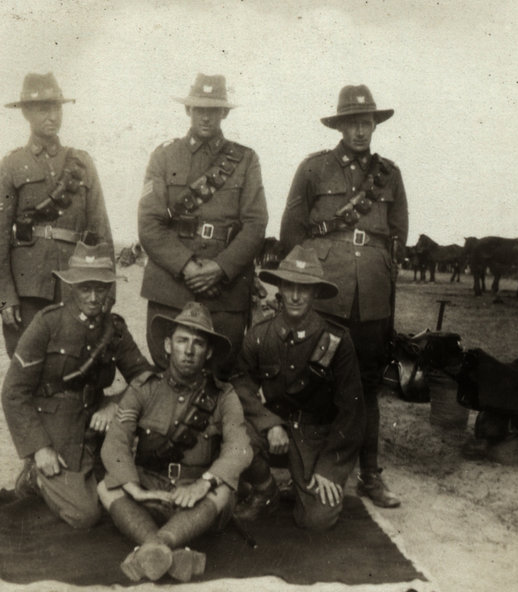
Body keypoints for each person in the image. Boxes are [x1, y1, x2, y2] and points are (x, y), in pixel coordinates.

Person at [279, 84, 408, 508]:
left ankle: (370, 475)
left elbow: (397, 235)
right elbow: (292, 232)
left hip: (371, 295)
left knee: (367, 386)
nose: (360, 131)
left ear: (374, 126)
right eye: (352, 122)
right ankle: (311, 463)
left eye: (366, 122)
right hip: (327, 292)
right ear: (340, 125)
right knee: (316, 378)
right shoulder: (314, 169)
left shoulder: (390, 174)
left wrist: (383, 282)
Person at [1, 242, 152, 529]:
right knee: (85, 515)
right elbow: (13, 393)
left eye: (101, 287)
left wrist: (116, 404)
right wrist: (39, 448)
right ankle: (35, 475)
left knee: (126, 492)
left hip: (95, 422)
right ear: (71, 286)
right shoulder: (46, 324)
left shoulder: (114, 328)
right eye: (86, 288)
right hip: (55, 425)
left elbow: (144, 376)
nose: (94, 297)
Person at [98, 302, 252, 582]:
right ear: (168, 345)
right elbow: (116, 442)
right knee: (106, 487)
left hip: (197, 498)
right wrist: (136, 489)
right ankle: (166, 551)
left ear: (208, 353)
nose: (189, 351)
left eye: (198, 343)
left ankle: (153, 547)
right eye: (182, 341)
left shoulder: (223, 394)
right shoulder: (144, 387)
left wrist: (204, 482)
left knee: (224, 489)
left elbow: (239, 448)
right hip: (149, 490)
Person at [137, 73, 268, 377]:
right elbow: (149, 224)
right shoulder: (164, 156)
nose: (206, 116)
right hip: (171, 286)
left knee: (221, 373)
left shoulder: (246, 160)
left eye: (213, 109)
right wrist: (187, 266)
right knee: (166, 372)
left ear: (224, 112)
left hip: (225, 290)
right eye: (199, 109)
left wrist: (220, 269)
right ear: (188, 110)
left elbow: (255, 224)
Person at [231, 246, 365, 530]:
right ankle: (266, 489)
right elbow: (241, 385)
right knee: (233, 436)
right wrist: (269, 424)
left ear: (315, 293)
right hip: (274, 432)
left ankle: (301, 482)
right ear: (278, 287)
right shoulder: (260, 336)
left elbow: (352, 410)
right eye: (288, 286)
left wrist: (331, 468)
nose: (294, 296)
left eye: (303, 288)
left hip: (314, 438)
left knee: (317, 520)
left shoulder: (336, 341)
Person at [0, 72, 113, 357]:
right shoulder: (11, 164)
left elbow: (101, 228)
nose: (53, 115)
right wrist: (5, 298)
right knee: (28, 363)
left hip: (77, 283)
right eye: (44, 108)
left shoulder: (82, 163)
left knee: (77, 362)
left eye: (57, 107)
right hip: (29, 287)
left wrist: (108, 290)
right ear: (27, 113)